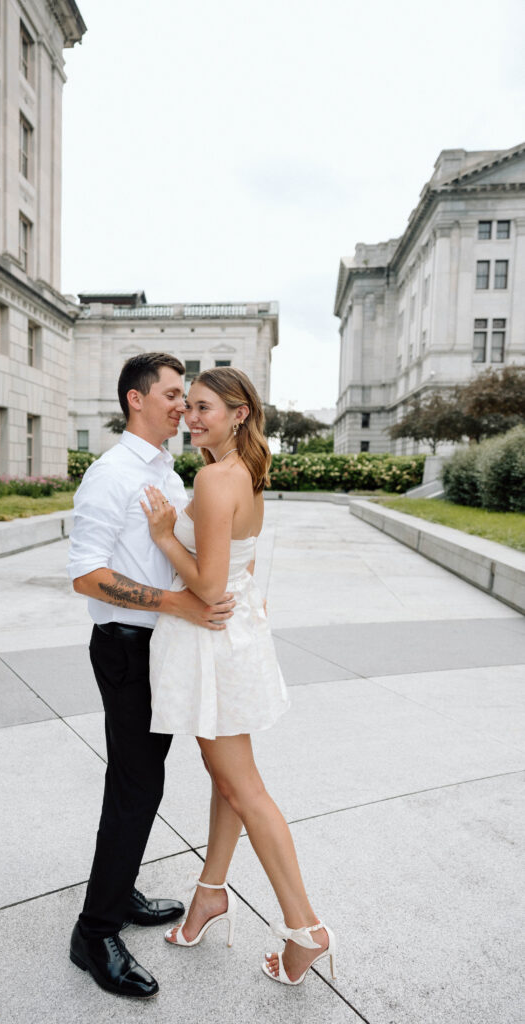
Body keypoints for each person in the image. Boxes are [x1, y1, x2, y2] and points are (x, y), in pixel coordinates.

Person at [141, 366, 336, 988]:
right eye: (188, 407)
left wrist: (166, 537)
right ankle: (210, 893)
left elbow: (208, 584)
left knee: (243, 787)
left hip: (212, 643)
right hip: (232, 637)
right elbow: (240, 569)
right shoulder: (245, 471)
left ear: (239, 413)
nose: (190, 418)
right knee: (228, 781)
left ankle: (305, 929)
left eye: (204, 409)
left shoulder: (216, 475)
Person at [66, 352, 236, 999]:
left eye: (186, 396)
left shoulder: (163, 465)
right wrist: (173, 602)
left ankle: (119, 889)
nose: (181, 405)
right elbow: (86, 574)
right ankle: (94, 931)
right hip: (126, 646)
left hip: (158, 646)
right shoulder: (111, 476)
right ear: (135, 400)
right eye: (170, 394)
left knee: (142, 781)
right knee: (136, 786)